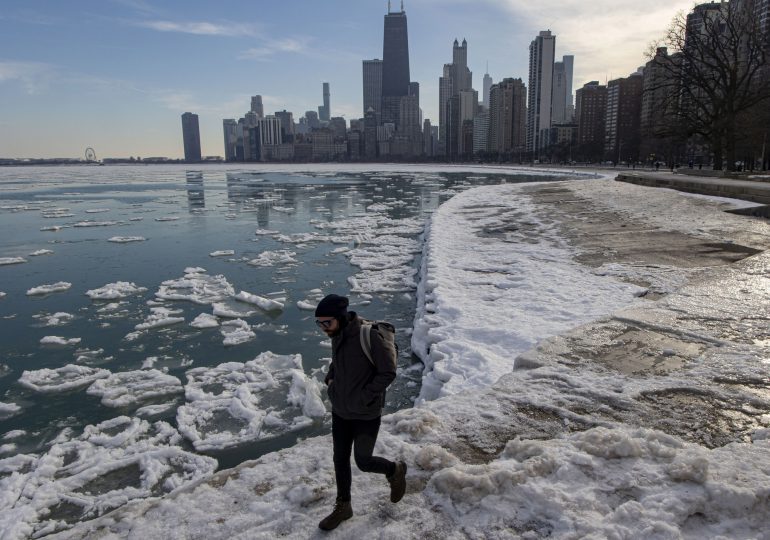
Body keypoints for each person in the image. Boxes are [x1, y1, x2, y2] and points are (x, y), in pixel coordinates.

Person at [314, 294, 406, 531]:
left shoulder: (370, 335)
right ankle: (344, 506)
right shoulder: (337, 334)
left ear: (341, 318)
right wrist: (331, 379)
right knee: (340, 459)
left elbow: (388, 372)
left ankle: (394, 470)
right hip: (341, 411)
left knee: (363, 461)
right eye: (320, 323)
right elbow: (338, 361)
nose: (324, 329)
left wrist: (364, 397)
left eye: (327, 323)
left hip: (365, 413)